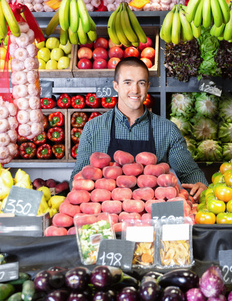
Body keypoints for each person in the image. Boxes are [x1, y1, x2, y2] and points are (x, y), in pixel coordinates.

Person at [71, 57, 208, 200]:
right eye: (127, 82)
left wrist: (201, 185)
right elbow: (78, 176)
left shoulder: (167, 130)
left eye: (141, 83)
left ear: (147, 86)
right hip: (107, 214)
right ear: (116, 86)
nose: (135, 90)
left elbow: (189, 172)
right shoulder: (94, 128)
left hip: (152, 214)